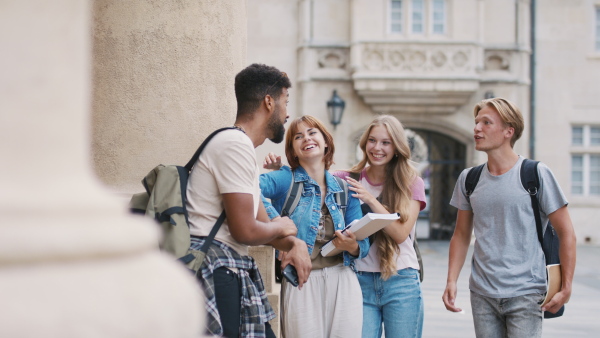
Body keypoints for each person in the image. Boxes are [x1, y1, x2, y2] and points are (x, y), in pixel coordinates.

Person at [185, 63, 311, 338]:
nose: (287, 113)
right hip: (216, 270)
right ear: (269, 102)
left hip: (228, 270)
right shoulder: (235, 144)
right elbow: (247, 230)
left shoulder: (241, 149)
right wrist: (285, 226)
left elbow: (264, 227)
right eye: (285, 102)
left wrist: (294, 242)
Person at [442, 98, 576, 337]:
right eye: (476, 122)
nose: (476, 128)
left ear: (508, 131)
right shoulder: (468, 179)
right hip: (482, 292)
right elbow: (461, 235)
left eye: (486, 123)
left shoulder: (535, 174)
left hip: (526, 292)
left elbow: (566, 233)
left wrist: (566, 287)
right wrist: (451, 280)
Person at [260, 115, 368, 338]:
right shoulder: (285, 178)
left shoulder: (344, 187)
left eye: (312, 133)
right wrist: (277, 223)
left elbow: (363, 245)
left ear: (326, 141)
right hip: (301, 280)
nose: (306, 138)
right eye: (298, 137)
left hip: (343, 280)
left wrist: (352, 246)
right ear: (293, 151)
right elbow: (249, 189)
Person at [332, 115, 427, 338]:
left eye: (386, 142)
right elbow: (314, 180)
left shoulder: (411, 182)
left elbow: (401, 234)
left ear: (397, 147)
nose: (377, 148)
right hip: (358, 280)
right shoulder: (345, 179)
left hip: (401, 281)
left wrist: (371, 200)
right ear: (365, 143)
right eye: (372, 140)